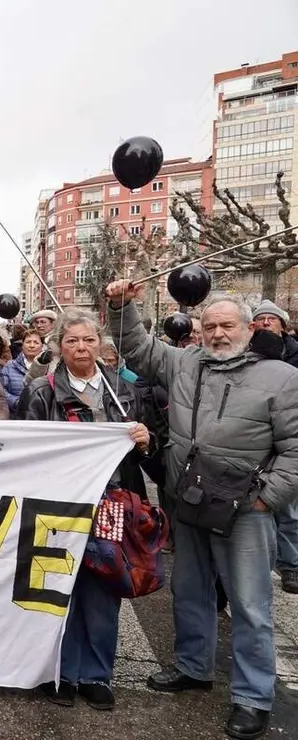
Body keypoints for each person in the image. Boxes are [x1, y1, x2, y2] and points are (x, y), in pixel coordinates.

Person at [107, 280, 298, 740]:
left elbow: (295, 449)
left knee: (250, 605)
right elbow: (136, 348)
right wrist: (121, 305)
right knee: (190, 590)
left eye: (227, 325)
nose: (217, 333)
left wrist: (267, 498)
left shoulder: (282, 377)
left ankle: (253, 697)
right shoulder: (185, 362)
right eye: (210, 325)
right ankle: (193, 667)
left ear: (248, 329)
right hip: (188, 500)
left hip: (245, 511)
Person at [21, 309, 156, 711]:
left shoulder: (125, 390)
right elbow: (24, 447)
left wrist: (145, 442)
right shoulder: (41, 391)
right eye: (72, 341)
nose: (81, 347)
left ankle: (96, 673)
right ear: (59, 347)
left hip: (111, 504)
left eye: (89, 340)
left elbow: (151, 451)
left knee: (103, 588)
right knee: (59, 587)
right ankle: (60, 671)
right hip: (59, 504)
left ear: (101, 343)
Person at [251, 300, 298, 594]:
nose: (266, 322)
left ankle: (291, 565)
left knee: (289, 509)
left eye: (272, 318)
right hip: (257, 445)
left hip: (287, 441)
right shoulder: (247, 355)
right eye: (261, 318)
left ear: (283, 324)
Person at [0, 329, 42, 418]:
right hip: (15, 417)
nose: (32, 345)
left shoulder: (49, 366)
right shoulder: (9, 366)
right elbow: (1, 390)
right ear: (22, 345)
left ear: (42, 346)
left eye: (36, 342)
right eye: (28, 342)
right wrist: (16, 402)